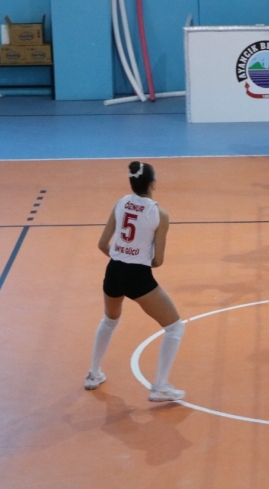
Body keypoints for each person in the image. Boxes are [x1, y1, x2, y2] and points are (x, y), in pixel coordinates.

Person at [84, 161, 186, 403]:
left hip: (113, 271)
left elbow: (102, 244)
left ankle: (93, 374)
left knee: (109, 320)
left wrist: (121, 258)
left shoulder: (121, 203)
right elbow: (157, 260)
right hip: (137, 276)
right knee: (174, 327)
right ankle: (160, 386)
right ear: (153, 184)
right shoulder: (159, 214)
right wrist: (136, 262)